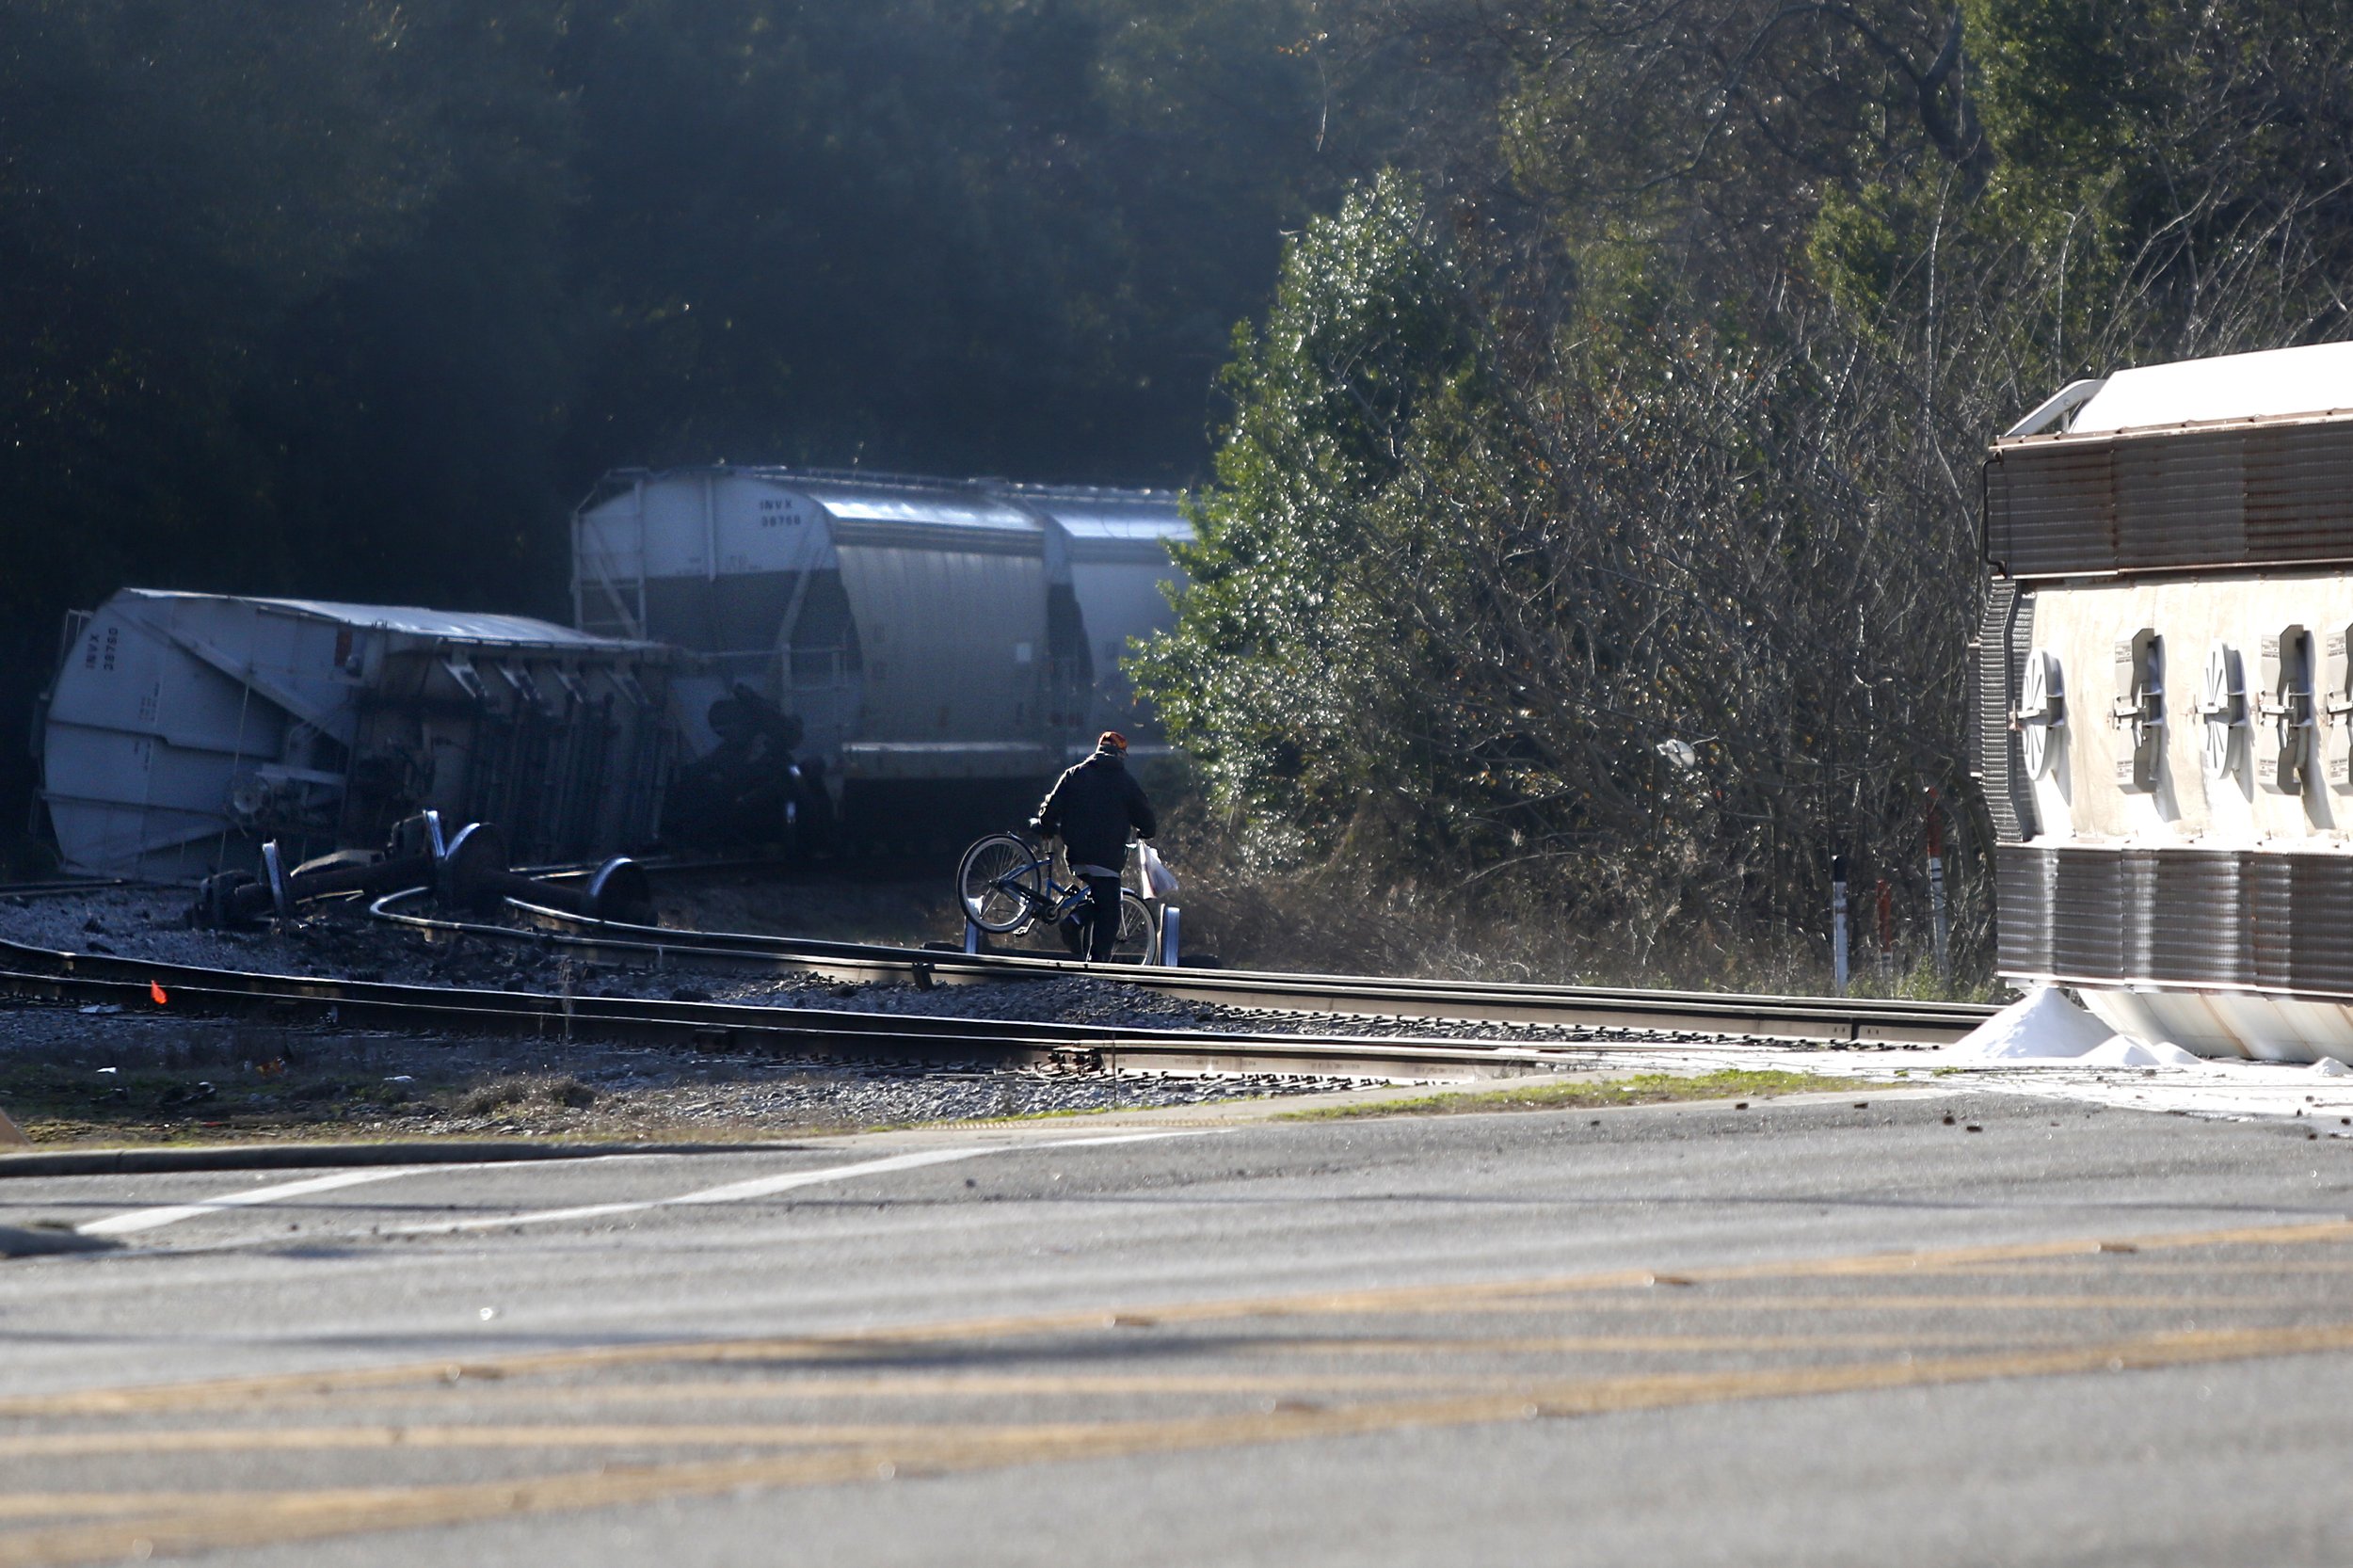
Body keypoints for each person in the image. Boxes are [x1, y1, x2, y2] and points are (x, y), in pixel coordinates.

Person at [1032, 730, 1158, 961]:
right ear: (1120, 754)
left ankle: (1076, 920)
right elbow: (1146, 818)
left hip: (1076, 854)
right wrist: (1146, 832)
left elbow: (1049, 810)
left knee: (1099, 896)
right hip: (1107, 856)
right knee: (1110, 909)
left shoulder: (1074, 774)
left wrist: (1046, 824)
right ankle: (1098, 963)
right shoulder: (1126, 782)